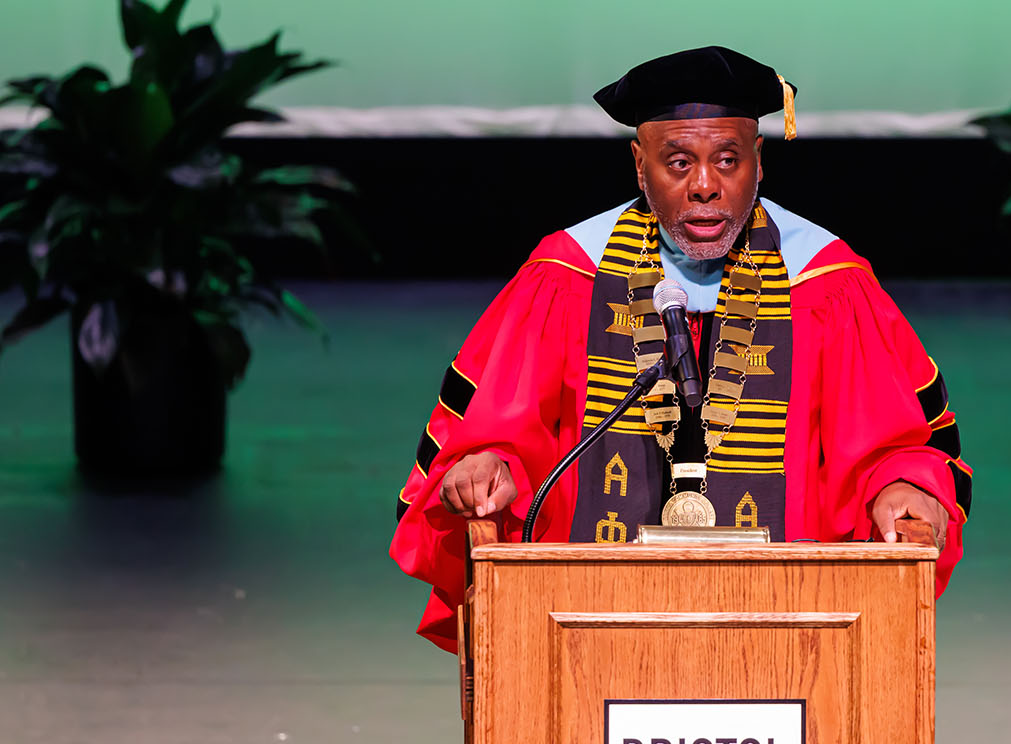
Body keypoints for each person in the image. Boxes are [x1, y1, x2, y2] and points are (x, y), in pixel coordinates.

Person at [391, 47, 971, 652]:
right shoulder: (566, 275)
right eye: (678, 162)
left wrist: (904, 488)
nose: (704, 187)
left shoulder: (828, 282)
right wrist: (486, 467)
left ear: (759, 162)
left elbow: (896, 447)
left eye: (728, 160)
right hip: (586, 623)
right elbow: (496, 432)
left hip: (787, 630)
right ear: (640, 167)